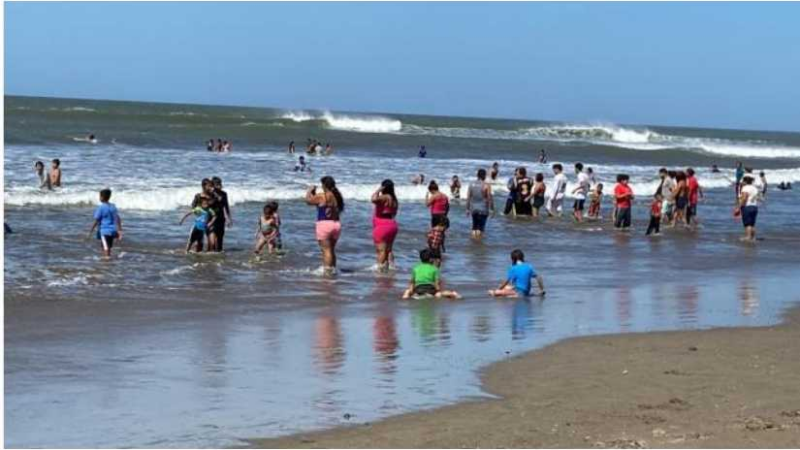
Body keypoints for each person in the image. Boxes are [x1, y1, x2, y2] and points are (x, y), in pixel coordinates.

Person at [306, 176, 344, 274]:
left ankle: (327, 272)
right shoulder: (336, 196)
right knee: (331, 250)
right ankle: (333, 269)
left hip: (324, 224)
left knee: (326, 250)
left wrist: (309, 191)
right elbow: (318, 204)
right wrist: (314, 194)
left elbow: (308, 201)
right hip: (336, 224)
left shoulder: (323, 195)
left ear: (324, 185)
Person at [371, 179, 399, 271]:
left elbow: (373, 199)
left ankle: (381, 269)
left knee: (381, 250)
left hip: (382, 225)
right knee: (388, 250)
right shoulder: (394, 199)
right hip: (392, 224)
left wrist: (378, 190)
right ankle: (390, 267)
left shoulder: (385, 197)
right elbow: (394, 213)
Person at [88, 188, 123, 258]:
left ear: (102, 197)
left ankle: (107, 260)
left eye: (100, 196)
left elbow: (97, 220)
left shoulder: (101, 208)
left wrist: (91, 229)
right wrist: (119, 230)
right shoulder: (113, 206)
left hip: (104, 231)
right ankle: (107, 258)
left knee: (105, 247)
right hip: (113, 231)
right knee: (108, 246)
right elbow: (118, 218)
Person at [466, 168, 494, 240]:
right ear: (484, 176)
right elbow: (489, 198)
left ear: (477, 175)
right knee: (480, 228)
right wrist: (492, 209)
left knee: (474, 227)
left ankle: (473, 242)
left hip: (474, 209)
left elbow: (468, 198)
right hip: (483, 209)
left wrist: (467, 209)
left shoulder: (471, 184)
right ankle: (478, 244)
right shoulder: (486, 185)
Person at [191, 179, 219, 251]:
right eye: (209, 186)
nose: (211, 187)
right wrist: (198, 212)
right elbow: (193, 207)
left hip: (211, 222)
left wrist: (211, 222)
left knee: (212, 243)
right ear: (203, 186)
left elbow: (217, 208)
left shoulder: (214, 196)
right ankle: (199, 260)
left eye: (211, 186)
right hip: (200, 223)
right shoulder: (198, 196)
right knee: (199, 244)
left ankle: (208, 260)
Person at [736, 175, 760, 242]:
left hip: (747, 206)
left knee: (747, 224)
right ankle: (753, 237)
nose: (742, 182)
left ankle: (748, 237)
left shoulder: (745, 188)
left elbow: (744, 198)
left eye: (743, 181)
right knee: (752, 224)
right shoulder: (755, 188)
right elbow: (757, 197)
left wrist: (738, 207)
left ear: (746, 181)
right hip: (754, 206)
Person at [211, 177, 232, 251]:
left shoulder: (224, 194)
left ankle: (219, 254)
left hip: (221, 217)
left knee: (220, 236)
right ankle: (213, 253)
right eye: (217, 184)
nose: (220, 185)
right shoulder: (211, 194)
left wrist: (229, 219)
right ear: (213, 185)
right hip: (212, 217)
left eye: (220, 183)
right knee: (213, 238)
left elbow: (226, 206)